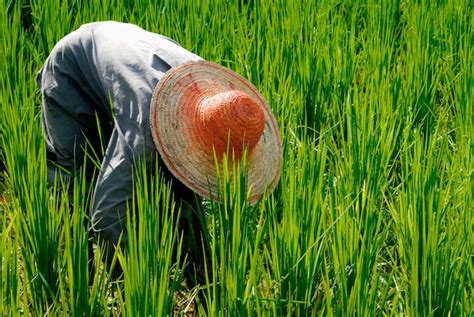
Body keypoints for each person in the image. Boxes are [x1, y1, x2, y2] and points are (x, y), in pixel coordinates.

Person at [37, 21, 282, 280]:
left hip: (127, 58)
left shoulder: (216, 97)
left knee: (177, 188)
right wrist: (138, 293)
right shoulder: (147, 129)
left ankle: (201, 281)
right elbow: (108, 218)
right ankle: (74, 281)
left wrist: (206, 285)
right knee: (74, 184)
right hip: (72, 69)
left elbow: (185, 200)